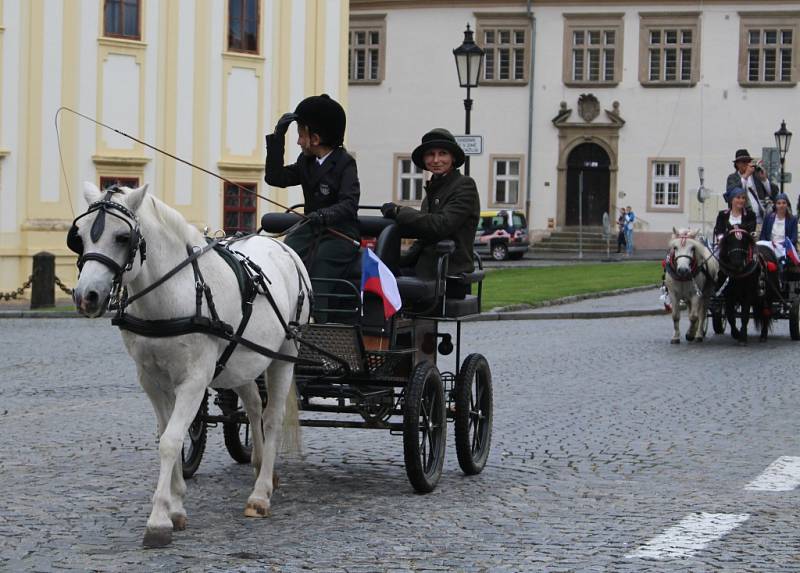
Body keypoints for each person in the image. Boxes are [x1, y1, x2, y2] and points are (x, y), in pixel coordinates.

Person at [264, 94, 360, 280]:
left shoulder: (345, 163)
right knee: (285, 255)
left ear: (315, 139)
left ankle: (319, 308)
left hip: (339, 233)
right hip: (310, 229)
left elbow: (349, 204)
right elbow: (275, 178)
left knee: (321, 265)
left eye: (300, 135)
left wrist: (323, 215)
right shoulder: (305, 161)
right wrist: (278, 138)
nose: (299, 142)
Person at [380, 128, 480, 299]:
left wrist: (399, 211)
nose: (436, 160)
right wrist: (394, 261)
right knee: (377, 277)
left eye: (443, 154)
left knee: (385, 288)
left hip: (449, 272)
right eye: (430, 154)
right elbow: (424, 236)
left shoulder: (464, 185)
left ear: (453, 158)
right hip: (427, 269)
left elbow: (440, 225)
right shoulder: (434, 189)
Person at [725, 149, 769, 224]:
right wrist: (745, 176)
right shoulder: (732, 178)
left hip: (760, 218)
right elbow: (732, 193)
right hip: (742, 219)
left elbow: (771, 192)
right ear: (737, 164)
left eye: (748, 161)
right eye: (744, 161)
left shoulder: (756, 176)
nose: (747, 164)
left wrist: (764, 180)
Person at [758, 193, 797, 274]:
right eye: (779, 203)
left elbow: (794, 238)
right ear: (775, 205)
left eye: (784, 203)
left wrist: (783, 245)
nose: (781, 205)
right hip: (770, 246)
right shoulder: (768, 217)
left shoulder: (792, 219)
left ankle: (779, 278)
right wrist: (768, 245)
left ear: (787, 204)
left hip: (784, 247)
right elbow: (763, 235)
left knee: (780, 259)